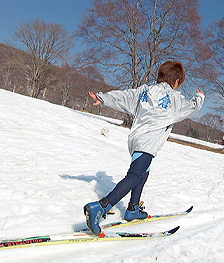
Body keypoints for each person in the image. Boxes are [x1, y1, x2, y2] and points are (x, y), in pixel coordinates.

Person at [84, 61, 205, 235]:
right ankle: (101, 207)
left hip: (135, 139)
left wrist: (103, 98)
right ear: (177, 81)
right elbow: (191, 107)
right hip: (148, 143)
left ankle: (133, 208)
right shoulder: (175, 98)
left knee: (143, 171)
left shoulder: (145, 91)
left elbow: (124, 96)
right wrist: (199, 97)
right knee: (134, 176)